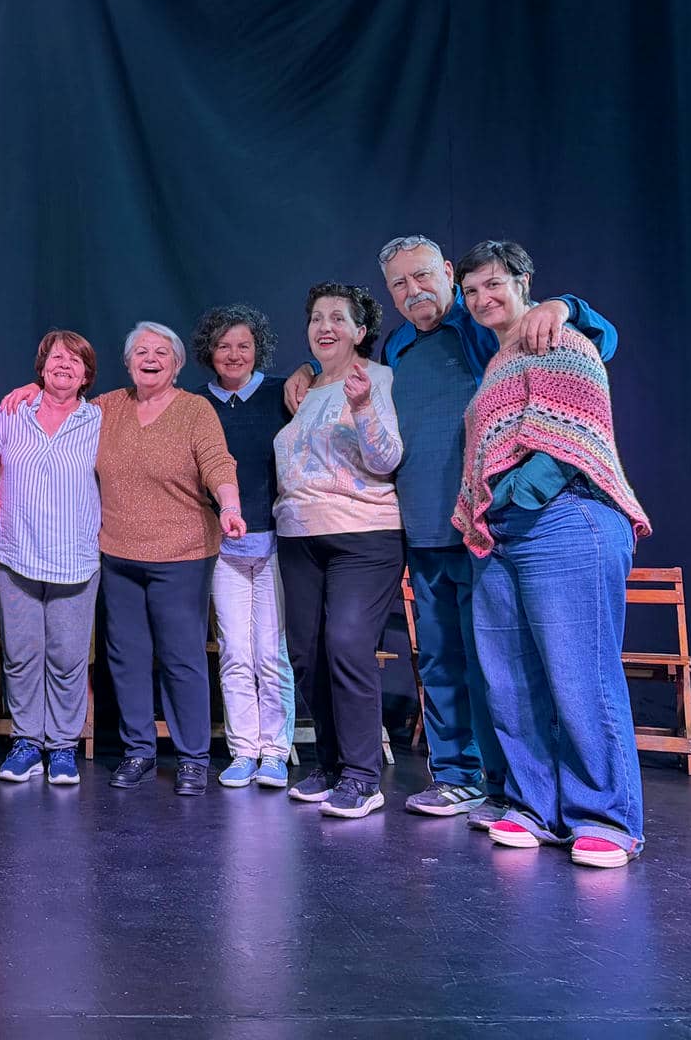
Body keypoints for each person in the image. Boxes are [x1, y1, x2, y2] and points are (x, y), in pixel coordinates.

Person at [286, 235, 616, 826]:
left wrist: (564, 306)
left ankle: (510, 786)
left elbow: (598, 341)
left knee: (500, 664)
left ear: (446, 272)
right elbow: (358, 386)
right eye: (399, 284)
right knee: (438, 660)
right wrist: (311, 369)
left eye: (423, 277)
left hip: (488, 525)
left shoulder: (483, 324)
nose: (414, 292)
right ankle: (457, 777)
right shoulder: (398, 346)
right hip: (420, 527)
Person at [451, 241, 650, 869]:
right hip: (503, 532)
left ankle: (605, 818)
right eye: (472, 290)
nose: (483, 299)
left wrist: (508, 498)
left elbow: (568, 437)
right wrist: (491, 513)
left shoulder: (559, 338)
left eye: (493, 285)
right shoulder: (495, 362)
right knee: (510, 679)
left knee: (579, 675)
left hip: (565, 518)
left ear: (523, 282)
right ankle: (534, 804)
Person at [8, 322, 246, 793]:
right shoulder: (106, 408)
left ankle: (193, 758)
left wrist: (231, 505)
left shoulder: (195, 410)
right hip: (117, 554)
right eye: (141, 350)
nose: (150, 357)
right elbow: (60, 401)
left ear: (176, 364)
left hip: (181, 555)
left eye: (161, 351)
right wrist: (31, 389)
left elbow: (219, 462)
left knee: (181, 658)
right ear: (128, 361)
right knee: (127, 657)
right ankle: (138, 751)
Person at [274, 284, 404, 820]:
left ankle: (361, 776)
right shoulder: (303, 388)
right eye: (316, 318)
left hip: (364, 532)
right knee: (305, 652)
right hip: (299, 533)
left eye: (338, 319)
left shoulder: (376, 378)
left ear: (359, 331)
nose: (325, 326)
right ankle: (327, 765)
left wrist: (363, 405)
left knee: (348, 644)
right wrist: (307, 375)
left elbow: (386, 458)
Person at [0, 331, 102, 787]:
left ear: (87, 374)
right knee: (21, 655)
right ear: (41, 366)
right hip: (17, 555)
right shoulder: (13, 412)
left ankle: (63, 747)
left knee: (68, 657)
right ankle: (27, 741)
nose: (64, 366)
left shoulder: (99, 419)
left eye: (75, 361)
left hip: (76, 558)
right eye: (57, 358)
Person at [191, 304, 295, 791]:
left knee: (269, 653)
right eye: (224, 345)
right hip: (222, 547)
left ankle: (275, 751)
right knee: (234, 651)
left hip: (275, 542)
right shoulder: (194, 405)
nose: (233, 354)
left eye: (244, 345)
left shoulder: (283, 394)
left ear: (259, 350)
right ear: (209, 352)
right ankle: (243, 750)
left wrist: (309, 368)